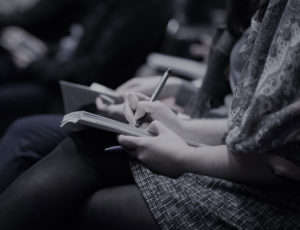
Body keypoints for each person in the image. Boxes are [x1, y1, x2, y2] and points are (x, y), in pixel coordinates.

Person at [2, 0, 300, 229]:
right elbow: (246, 118)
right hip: (226, 144)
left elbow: (273, 153)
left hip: (266, 192)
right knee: (78, 142)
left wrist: (185, 150)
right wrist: (177, 123)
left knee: (80, 196)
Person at [0, 0, 173, 134]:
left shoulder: (145, 7)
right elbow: (79, 48)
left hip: (82, 99)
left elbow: (93, 71)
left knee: (22, 129)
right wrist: (44, 53)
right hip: (62, 78)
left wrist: (35, 64)